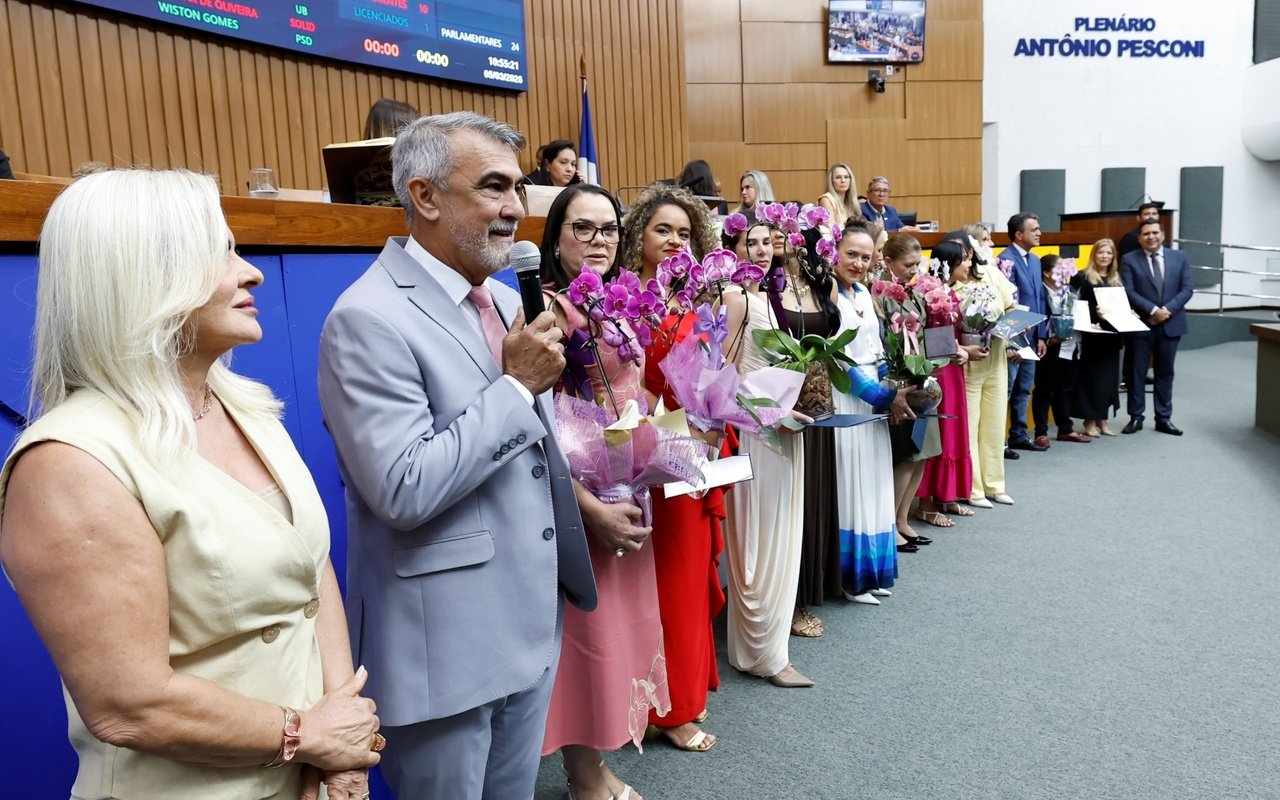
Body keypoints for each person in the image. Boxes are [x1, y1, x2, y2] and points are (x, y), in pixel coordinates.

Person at [0, 168, 381, 800]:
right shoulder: (69, 463)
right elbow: (130, 704)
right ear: (143, 277)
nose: (250, 272)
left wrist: (344, 747)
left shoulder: (244, 404)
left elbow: (310, 572)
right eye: (221, 252)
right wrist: (306, 735)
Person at [316, 112, 596, 800]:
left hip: (528, 625)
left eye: (518, 188)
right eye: (493, 187)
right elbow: (404, 487)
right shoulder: (367, 318)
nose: (514, 208)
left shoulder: (503, 299)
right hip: (443, 646)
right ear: (426, 195)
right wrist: (514, 387)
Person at [537, 183, 667, 800]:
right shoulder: (546, 311)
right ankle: (583, 774)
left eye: (609, 229)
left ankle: (599, 761)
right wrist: (589, 508)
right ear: (556, 235)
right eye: (582, 228)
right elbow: (539, 427)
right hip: (579, 498)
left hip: (624, 484)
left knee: (618, 630)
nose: (598, 241)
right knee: (585, 637)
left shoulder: (616, 301)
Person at [623, 183, 725, 752]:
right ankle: (634, 700)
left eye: (685, 234)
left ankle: (678, 706)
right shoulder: (615, 299)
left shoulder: (696, 304)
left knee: (682, 583)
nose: (674, 241)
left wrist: (714, 417)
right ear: (639, 234)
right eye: (663, 229)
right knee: (634, 590)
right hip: (628, 459)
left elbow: (712, 376)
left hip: (683, 460)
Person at [720, 219, 814, 687]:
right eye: (749, 242)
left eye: (766, 242)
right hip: (755, 431)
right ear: (732, 248)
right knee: (757, 536)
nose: (760, 250)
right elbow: (722, 377)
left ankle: (770, 647)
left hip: (780, 426)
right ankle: (762, 653)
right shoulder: (734, 299)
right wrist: (770, 413)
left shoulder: (763, 298)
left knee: (781, 531)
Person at [832, 223, 910, 604]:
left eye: (865, 257)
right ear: (835, 252)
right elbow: (838, 360)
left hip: (875, 400)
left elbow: (877, 353)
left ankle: (873, 571)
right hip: (847, 398)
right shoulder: (829, 295)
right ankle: (850, 578)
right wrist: (880, 395)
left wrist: (893, 391)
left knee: (876, 480)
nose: (858, 263)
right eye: (851, 254)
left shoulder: (864, 292)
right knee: (852, 483)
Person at [914, 238, 979, 528]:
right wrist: (962, 351)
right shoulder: (929, 290)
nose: (969, 265)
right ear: (951, 262)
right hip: (939, 371)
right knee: (940, 432)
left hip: (953, 369)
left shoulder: (951, 292)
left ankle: (948, 496)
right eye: (965, 259)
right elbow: (933, 340)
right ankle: (926, 504)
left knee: (954, 429)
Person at [877, 233, 935, 549]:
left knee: (921, 453)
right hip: (899, 380)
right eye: (907, 264)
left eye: (916, 264)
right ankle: (889, 521)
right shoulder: (883, 296)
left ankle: (902, 519)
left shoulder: (914, 291)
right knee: (906, 454)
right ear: (888, 262)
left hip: (921, 377)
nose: (913, 270)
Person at [954, 227, 1017, 509]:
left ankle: (995, 483)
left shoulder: (991, 272)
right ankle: (973, 487)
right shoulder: (949, 281)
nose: (988, 245)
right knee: (971, 425)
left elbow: (1011, 306)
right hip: (968, 363)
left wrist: (1010, 332)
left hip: (997, 356)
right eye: (983, 240)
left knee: (994, 423)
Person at [1119, 219, 1194, 435]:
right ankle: (1136, 416)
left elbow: (1187, 289)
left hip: (1171, 324)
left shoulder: (1179, 257)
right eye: (1146, 234)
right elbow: (1129, 291)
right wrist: (1153, 310)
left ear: (1162, 234)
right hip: (1142, 324)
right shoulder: (1129, 259)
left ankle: (1163, 418)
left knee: (1165, 372)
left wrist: (1166, 311)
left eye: (1155, 233)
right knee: (1136, 372)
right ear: (1140, 238)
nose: (1151, 237)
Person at [999, 212, 1049, 456]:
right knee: (1006, 390)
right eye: (1034, 229)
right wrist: (1012, 342)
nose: (1039, 233)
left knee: (1024, 388)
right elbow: (1007, 304)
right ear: (1019, 234)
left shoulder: (1037, 260)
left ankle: (1019, 434)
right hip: (1015, 337)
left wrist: (1041, 336)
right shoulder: (1005, 260)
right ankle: (999, 441)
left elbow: (1039, 299)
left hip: (1033, 334)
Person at [1030, 254, 1091, 445]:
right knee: (1044, 389)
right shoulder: (1039, 292)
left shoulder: (1071, 290)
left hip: (1072, 344)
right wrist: (1049, 339)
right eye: (1059, 268)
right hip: (1049, 346)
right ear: (1047, 273)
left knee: (1066, 388)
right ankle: (1041, 431)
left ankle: (1065, 428)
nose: (1064, 272)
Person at [1072, 239, 1124, 436]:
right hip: (1092, 336)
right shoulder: (1082, 277)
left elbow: (1121, 307)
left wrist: (1130, 313)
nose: (1105, 256)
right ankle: (1089, 421)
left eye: (1109, 253)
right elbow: (1075, 306)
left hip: (1112, 337)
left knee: (1108, 380)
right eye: (1101, 252)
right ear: (1094, 254)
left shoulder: (1117, 279)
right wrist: (1093, 318)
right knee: (1091, 379)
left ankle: (1103, 419)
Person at [816, 162, 861, 232]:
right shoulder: (826, 200)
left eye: (846, 177)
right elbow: (832, 231)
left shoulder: (851, 201)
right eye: (838, 177)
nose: (843, 181)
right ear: (831, 181)